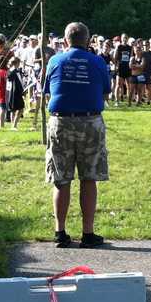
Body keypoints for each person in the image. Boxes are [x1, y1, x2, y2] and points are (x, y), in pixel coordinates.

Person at [44, 22, 112, 248]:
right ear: (88, 40)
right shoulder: (97, 61)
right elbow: (105, 89)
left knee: (61, 178)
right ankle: (87, 233)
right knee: (89, 177)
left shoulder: (54, 61)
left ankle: (60, 231)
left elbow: (48, 89)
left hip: (60, 121)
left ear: (65, 40)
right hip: (90, 121)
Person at [7, 56, 27, 128]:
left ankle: (13, 125)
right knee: (20, 109)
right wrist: (23, 91)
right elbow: (15, 81)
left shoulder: (16, 71)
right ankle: (14, 125)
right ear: (16, 63)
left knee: (14, 109)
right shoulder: (13, 71)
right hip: (15, 92)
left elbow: (22, 78)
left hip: (14, 92)